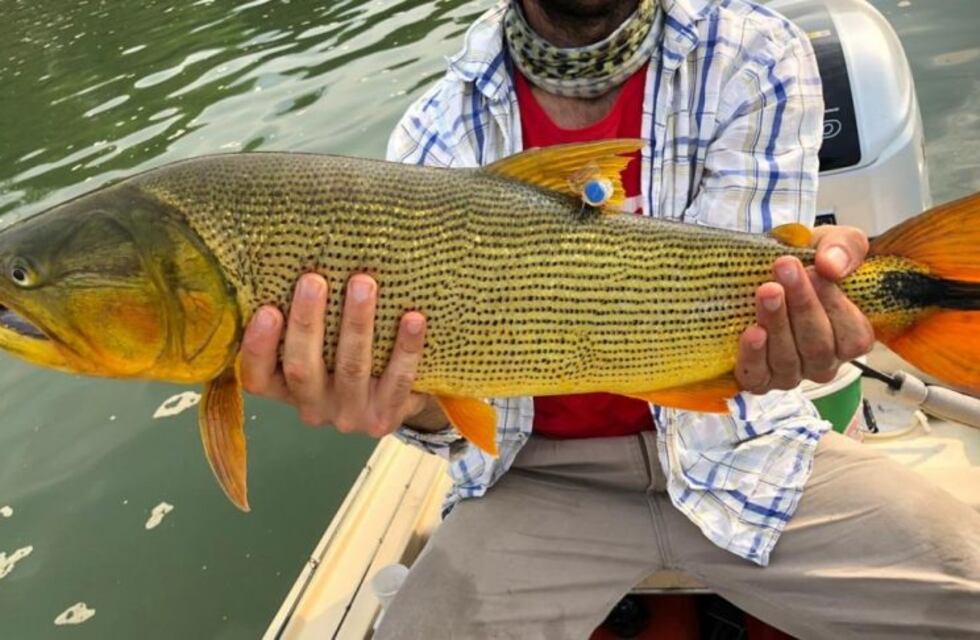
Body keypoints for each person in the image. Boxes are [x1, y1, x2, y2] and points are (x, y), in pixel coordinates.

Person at [242, 0, 980, 637]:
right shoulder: (435, 132)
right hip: (535, 482)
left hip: (747, 450)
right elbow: (452, 428)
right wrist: (412, 406)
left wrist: (819, 302)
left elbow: (751, 302)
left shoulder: (757, 53)